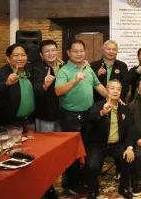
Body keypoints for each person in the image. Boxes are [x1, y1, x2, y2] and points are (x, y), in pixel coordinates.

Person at [55, 39, 107, 193]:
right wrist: (74, 80)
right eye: (75, 51)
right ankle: (70, 183)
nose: (79, 54)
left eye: (81, 51)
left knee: (87, 149)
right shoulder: (64, 71)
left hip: (88, 115)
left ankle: (85, 179)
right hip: (70, 117)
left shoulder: (88, 69)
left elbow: (98, 86)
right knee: (72, 153)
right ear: (69, 53)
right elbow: (58, 91)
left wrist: (112, 99)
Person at [85, 80, 136, 199]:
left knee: (128, 159)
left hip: (116, 145)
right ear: (107, 91)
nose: (115, 91)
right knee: (92, 166)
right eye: (112, 88)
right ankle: (93, 189)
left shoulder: (124, 109)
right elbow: (91, 118)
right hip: (98, 144)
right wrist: (102, 112)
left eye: (118, 89)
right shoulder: (98, 105)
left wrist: (129, 147)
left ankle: (123, 188)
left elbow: (130, 130)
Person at [0, 44, 34, 129]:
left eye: (23, 55)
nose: (20, 58)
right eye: (16, 55)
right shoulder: (2, 73)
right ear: (8, 59)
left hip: (29, 121)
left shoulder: (29, 70)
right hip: (9, 123)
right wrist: (6, 83)